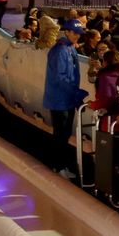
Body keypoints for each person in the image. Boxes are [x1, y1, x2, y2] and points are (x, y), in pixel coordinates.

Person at [41, 18, 89, 179]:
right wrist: (75, 93)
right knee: (61, 134)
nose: (77, 36)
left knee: (65, 133)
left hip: (67, 99)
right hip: (59, 100)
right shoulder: (60, 50)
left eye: (79, 34)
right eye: (74, 33)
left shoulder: (69, 49)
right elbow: (60, 78)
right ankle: (58, 165)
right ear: (67, 32)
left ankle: (60, 165)